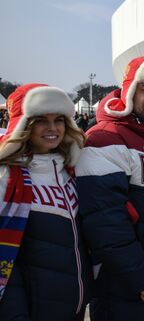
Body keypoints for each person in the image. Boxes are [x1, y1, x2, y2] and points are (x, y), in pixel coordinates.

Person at [75, 56, 144, 321]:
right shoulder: (104, 138)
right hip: (128, 290)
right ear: (129, 92)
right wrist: (141, 279)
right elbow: (105, 223)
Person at [0, 84, 91, 320]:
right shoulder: (8, 177)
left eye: (59, 120)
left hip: (76, 306)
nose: (52, 128)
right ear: (24, 125)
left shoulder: (72, 170)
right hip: (30, 310)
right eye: (41, 120)